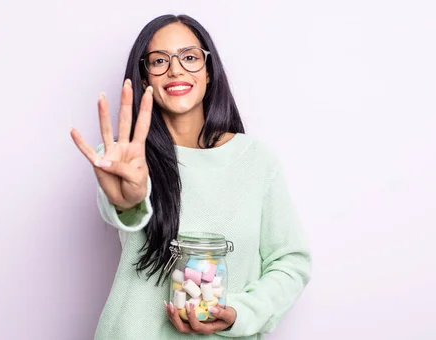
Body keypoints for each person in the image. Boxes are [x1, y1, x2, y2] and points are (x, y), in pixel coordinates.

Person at [70, 14, 311, 340]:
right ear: (144, 80)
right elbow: (124, 203)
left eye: (189, 57)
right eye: (159, 60)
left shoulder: (256, 161)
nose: (175, 69)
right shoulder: (126, 157)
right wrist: (128, 202)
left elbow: (290, 262)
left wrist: (238, 313)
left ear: (209, 71)